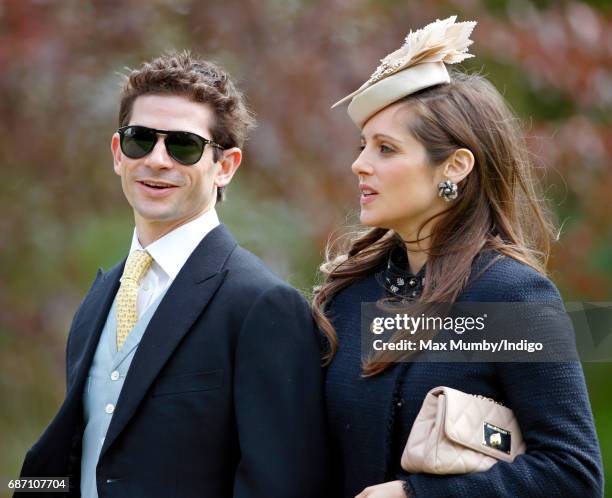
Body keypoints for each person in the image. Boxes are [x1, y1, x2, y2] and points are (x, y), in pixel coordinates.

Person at [17, 51, 331, 498]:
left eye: (183, 145)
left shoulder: (262, 304)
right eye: (140, 140)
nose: (158, 160)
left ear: (225, 166)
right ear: (117, 154)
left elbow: (281, 484)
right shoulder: (101, 296)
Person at [314, 16, 603, 498]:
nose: (359, 163)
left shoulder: (510, 297)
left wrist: (417, 496)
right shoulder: (349, 296)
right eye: (363, 146)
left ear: (455, 166)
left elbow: (572, 474)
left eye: (386, 149)